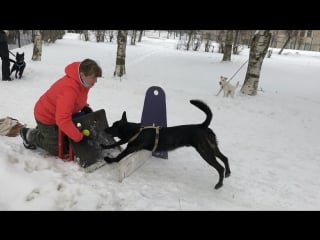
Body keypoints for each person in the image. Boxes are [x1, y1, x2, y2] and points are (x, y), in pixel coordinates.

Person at [20, 58, 102, 156]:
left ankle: (45, 132)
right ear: (82, 75)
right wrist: (78, 137)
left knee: (68, 140)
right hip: (46, 117)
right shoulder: (69, 89)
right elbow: (63, 119)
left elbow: (77, 99)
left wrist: (84, 106)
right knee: (59, 149)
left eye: (96, 78)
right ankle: (29, 134)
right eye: (93, 78)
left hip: (61, 113)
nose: (95, 81)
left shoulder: (83, 82)